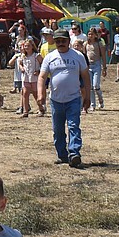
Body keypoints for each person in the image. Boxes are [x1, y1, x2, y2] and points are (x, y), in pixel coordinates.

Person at [38, 29, 91, 168]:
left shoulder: (78, 56)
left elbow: (85, 76)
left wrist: (88, 97)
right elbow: (42, 76)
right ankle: (62, 155)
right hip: (56, 100)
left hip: (73, 99)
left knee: (74, 126)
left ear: (69, 41)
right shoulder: (50, 57)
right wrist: (40, 94)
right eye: (58, 41)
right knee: (58, 130)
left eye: (63, 41)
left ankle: (74, 153)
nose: (61, 43)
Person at [14, 39, 42, 118]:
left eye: (28, 46)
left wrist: (38, 71)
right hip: (26, 77)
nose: (26, 47)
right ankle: (25, 111)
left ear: (32, 46)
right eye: (25, 46)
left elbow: (43, 63)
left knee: (35, 94)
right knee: (25, 93)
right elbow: (20, 63)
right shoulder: (23, 56)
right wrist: (21, 67)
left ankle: (41, 108)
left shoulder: (36, 55)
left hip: (34, 77)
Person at [85, 28, 106, 110]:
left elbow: (103, 56)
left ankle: (100, 100)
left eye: (92, 34)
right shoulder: (86, 44)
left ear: (95, 35)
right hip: (88, 65)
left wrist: (104, 67)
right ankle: (92, 104)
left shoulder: (99, 43)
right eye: (89, 34)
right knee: (90, 86)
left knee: (96, 85)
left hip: (97, 64)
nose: (90, 36)